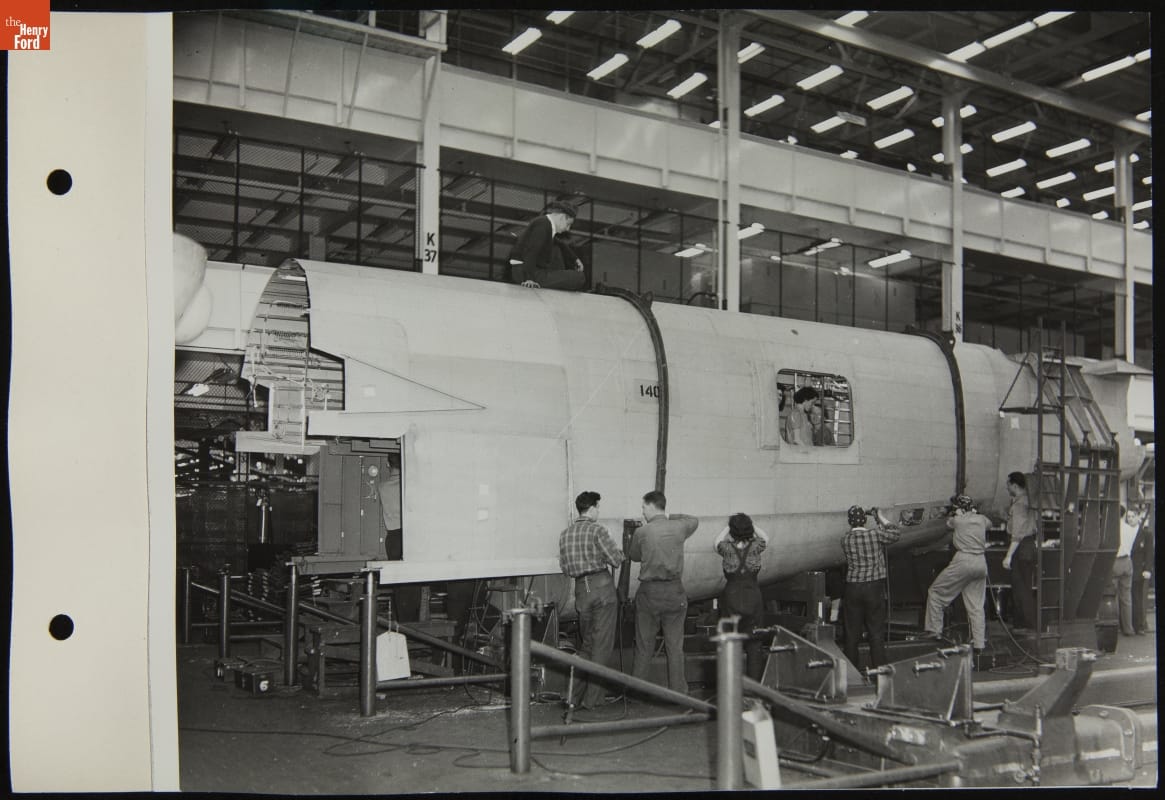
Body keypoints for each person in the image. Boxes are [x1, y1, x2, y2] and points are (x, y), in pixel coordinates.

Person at [557, 491, 624, 711]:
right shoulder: (597, 530)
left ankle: (572, 697)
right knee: (602, 646)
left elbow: (565, 568)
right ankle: (592, 700)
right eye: (598, 507)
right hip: (601, 587)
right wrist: (618, 552)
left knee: (586, 645)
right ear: (593, 508)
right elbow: (615, 560)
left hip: (581, 591)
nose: (598, 512)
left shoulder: (565, 534)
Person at [629, 490, 699, 695]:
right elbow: (693, 520)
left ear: (652, 506)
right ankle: (678, 693)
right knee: (675, 646)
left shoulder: (642, 532)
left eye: (644, 507)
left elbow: (634, 556)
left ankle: (637, 692)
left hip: (649, 594)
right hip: (674, 592)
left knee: (644, 645)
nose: (642, 512)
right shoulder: (679, 527)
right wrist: (669, 516)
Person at [923, 495, 989, 652]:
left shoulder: (957, 521)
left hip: (963, 560)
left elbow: (948, 524)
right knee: (976, 606)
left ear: (959, 508)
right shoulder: (982, 519)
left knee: (935, 593)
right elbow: (989, 523)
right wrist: (973, 514)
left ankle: (934, 631)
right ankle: (979, 644)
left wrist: (957, 514)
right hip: (981, 562)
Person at [841, 505, 900, 671]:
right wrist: (880, 517)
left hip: (853, 588)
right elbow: (895, 533)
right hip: (873, 588)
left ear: (849, 522)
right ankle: (880, 672)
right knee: (876, 632)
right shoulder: (874, 535)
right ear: (865, 520)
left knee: (852, 634)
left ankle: (851, 673)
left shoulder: (845, 540)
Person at [713, 513, 769, 680]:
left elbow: (716, 542)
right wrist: (751, 525)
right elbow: (766, 537)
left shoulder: (727, 549)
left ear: (732, 531)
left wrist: (729, 527)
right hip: (753, 597)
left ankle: (731, 686)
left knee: (731, 643)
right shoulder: (756, 547)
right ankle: (754, 688)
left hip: (731, 599)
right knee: (754, 644)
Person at [507, 201, 588, 291]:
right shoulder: (543, 225)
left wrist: (575, 258)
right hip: (525, 273)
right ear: (562, 217)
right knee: (579, 277)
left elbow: (560, 243)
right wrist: (529, 279)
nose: (567, 229)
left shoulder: (546, 224)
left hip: (526, 271)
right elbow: (532, 251)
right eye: (568, 224)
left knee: (557, 251)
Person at [1000, 472, 1038, 631]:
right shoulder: (1027, 500)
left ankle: (1026, 624)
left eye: (1008, 485)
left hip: (1021, 548)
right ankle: (1023, 624)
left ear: (1014, 486)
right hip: (1028, 546)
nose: (1007, 488)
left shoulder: (1019, 505)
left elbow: (1018, 534)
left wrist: (1008, 556)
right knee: (1024, 587)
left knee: (1020, 589)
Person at [1111, 506, 1144, 637]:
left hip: (1115, 561)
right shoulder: (1130, 529)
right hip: (1127, 562)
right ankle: (1128, 628)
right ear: (1124, 515)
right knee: (1126, 597)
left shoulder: (1112, 528)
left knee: (1113, 595)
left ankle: (1115, 627)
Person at [1130, 505, 1154, 635]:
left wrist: (1148, 569)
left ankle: (1139, 625)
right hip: (1128, 568)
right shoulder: (1125, 532)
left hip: (1139, 570)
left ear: (1138, 517)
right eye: (1128, 517)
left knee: (1137, 597)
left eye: (1133, 516)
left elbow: (1149, 553)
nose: (1130, 519)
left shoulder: (1146, 534)